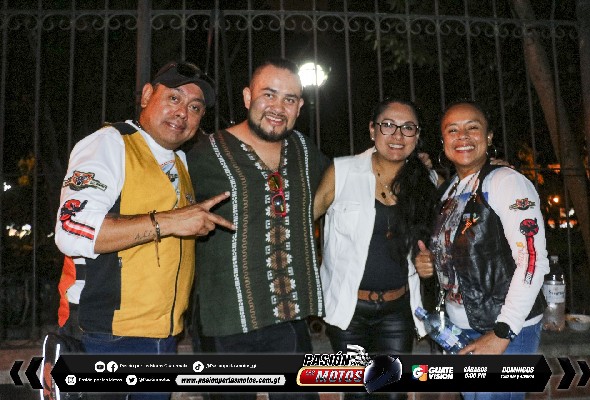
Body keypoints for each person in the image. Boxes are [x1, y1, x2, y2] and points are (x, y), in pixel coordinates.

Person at [53, 61, 235, 400]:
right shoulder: (109, 143)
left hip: (163, 339)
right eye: (174, 98)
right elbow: (70, 230)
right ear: (148, 95)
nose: (183, 112)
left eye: (195, 107)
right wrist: (169, 221)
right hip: (105, 337)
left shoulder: (180, 162)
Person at [186, 58, 327, 400]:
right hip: (224, 318)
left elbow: (344, 186)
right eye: (269, 94)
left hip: (288, 316)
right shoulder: (202, 154)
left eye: (289, 99)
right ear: (248, 97)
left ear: (299, 107)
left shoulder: (304, 150)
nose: (278, 107)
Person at [414, 100, 549, 400]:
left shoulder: (506, 182)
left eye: (472, 128)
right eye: (452, 130)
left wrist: (502, 333)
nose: (462, 136)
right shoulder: (451, 189)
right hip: (461, 328)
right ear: (443, 141)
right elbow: (465, 252)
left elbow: (532, 260)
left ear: (488, 137)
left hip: (504, 329)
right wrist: (430, 262)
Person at [313, 98, 439, 399]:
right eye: (388, 125)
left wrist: (431, 261)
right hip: (349, 312)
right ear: (372, 130)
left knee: (392, 393)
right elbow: (302, 224)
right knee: (357, 393)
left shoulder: (427, 181)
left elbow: (446, 231)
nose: (397, 135)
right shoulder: (342, 172)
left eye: (408, 128)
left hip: (397, 313)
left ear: (417, 136)